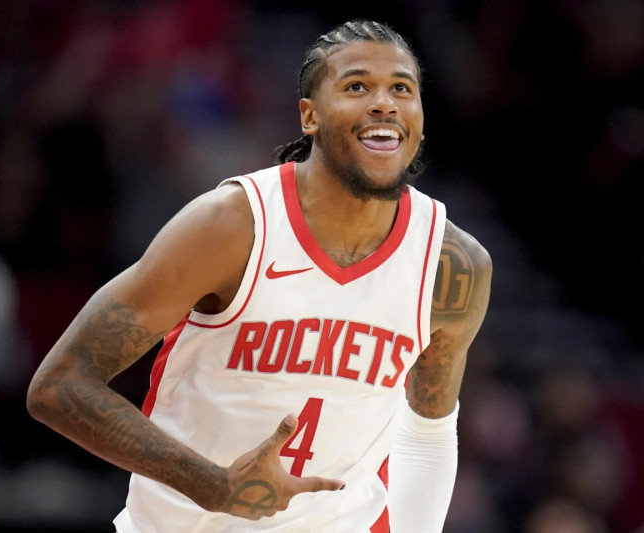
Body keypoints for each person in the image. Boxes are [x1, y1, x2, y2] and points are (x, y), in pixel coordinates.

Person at [26, 18, 492, 532]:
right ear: (309, 117)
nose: (384, 103)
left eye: (401, 89)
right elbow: (60, 385)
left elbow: (428, 432)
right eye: (356, 86)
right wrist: (209, 483)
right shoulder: (231, 225)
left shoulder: (452, 263)